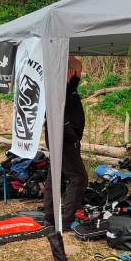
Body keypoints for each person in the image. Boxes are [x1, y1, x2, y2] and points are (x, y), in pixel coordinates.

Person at [43, 56, 88, 229]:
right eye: (79, 72)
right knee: (78, 178)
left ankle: (50, 216)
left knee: (55, 176)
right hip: (64, 141)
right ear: (71, 72)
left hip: (62, 140)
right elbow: (60, 119)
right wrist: (73, 137)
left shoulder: (63, 88)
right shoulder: (61, 90)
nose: (80, 76)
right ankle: (67, 219)